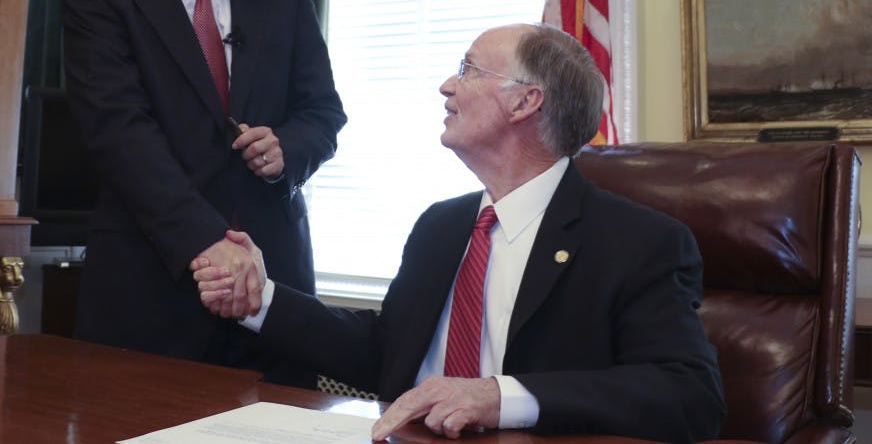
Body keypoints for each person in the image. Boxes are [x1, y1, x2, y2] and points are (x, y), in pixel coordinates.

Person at [192, 23, 726, 442]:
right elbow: (385, 354)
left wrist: (501, 397)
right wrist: (260, 301)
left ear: (525, 101)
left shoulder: (638, 241)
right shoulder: (441, 226)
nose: (447, 85)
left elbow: (689, 394)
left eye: (468, 69)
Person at [61, 0, 346, 384]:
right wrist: (209, 243)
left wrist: (287, 149)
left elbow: (323, 112)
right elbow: (122, 137)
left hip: (274, 287)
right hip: (151, 287)